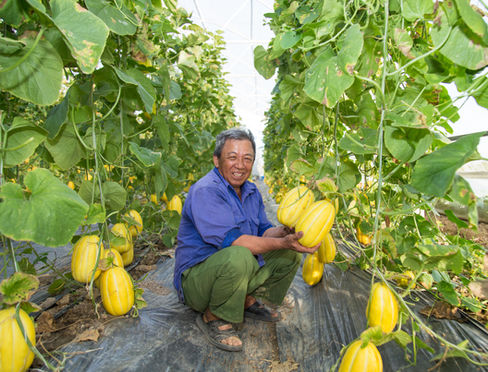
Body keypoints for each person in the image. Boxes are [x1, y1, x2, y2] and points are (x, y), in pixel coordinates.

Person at [173, 128, 319, 352]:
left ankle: (245, 300)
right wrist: (281, 242)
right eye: (232, 157)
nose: (240, 165)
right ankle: (213, 316)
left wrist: (283, 234)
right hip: (198, 281)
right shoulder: (206, 190)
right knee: (241, 256)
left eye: (247, 158)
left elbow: (263, 231)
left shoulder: (251, 191)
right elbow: (236, 242)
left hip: (234, 271)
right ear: (216, 160)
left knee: (287, 254)